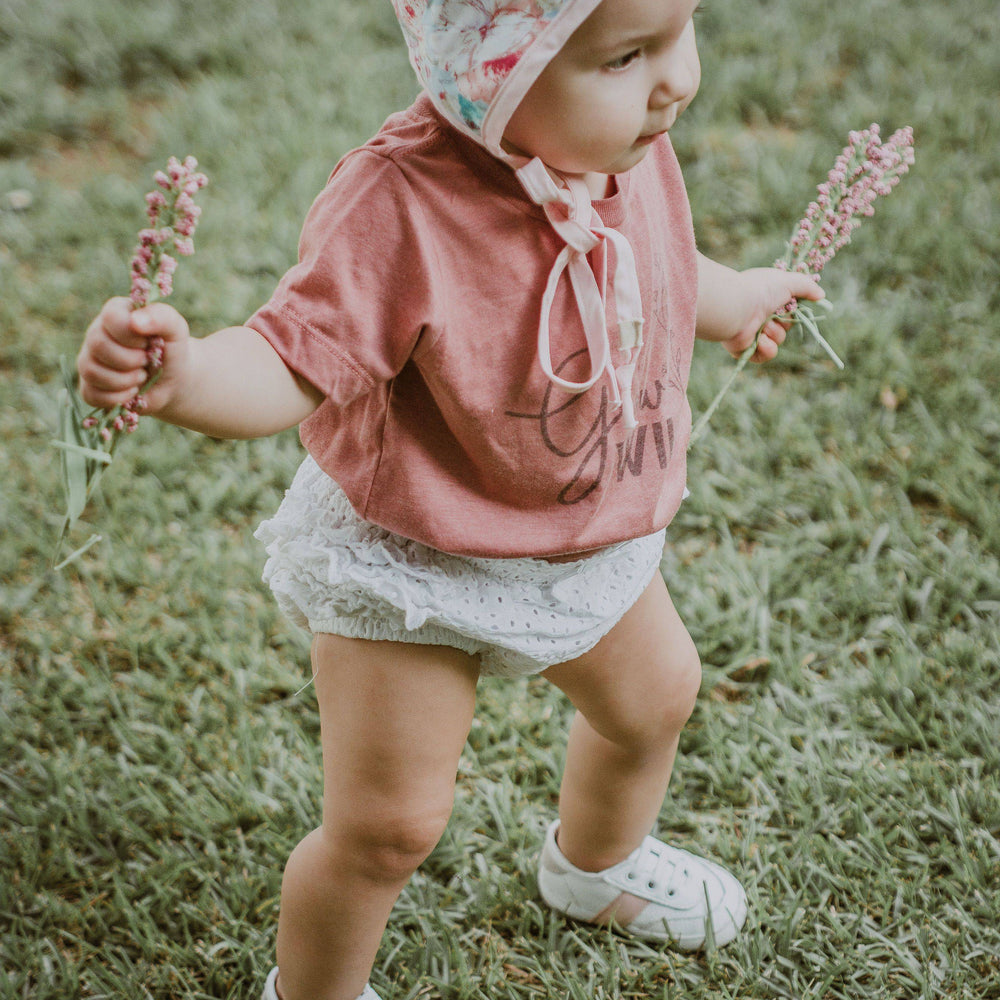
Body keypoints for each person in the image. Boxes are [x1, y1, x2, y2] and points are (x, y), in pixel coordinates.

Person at [76, 0, 824, 997]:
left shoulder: (616, 142)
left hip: (576, 530)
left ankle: (592, 864)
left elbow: (649, 263)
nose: (673, 81)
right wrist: (185, 377)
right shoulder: (402, 201)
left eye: (680, 31)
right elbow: (288, 359)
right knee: (388, 825)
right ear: (495, 71)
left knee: (654, 701)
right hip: (417, 555)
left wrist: (732, 300)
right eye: (624, 56)